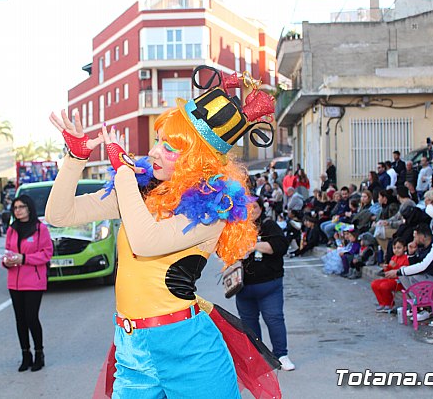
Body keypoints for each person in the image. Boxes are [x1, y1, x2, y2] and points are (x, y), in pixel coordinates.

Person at [47, 68, 281, 397]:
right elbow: (59, 214)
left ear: (195, 160)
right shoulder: (140, 190)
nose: (155, 151)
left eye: (169, 147)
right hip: (132, 352)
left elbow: (146, 242)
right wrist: (76, 158)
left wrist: (123, 172)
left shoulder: (213, 207)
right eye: (158, 141)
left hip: (189, 351)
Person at [235, 198, 294, 370]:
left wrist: (253, 245)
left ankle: (281, 355)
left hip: (269, 284)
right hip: (243, 287)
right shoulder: (236, 228)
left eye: (254, 207)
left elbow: (280, 246)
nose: (251, 210)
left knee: (274, 319)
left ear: (261, 208)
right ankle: (258, 357)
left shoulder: (269, 225)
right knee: (248, 323)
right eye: (247, 207)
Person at [3, 194, 53, 372]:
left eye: (22, 207)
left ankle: (39, 353)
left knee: (31, 317)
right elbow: (8, 252)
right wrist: (6, 261)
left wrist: (24, 258)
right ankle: (26, 354)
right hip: (14, 281)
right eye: (15, 208)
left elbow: (46, 254)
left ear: (29, 208)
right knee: (20, 320)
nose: (18, 211)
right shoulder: (12, 229)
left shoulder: (40, 229)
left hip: (33, 280)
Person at [391, 224, 433, 321]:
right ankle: (417, 305)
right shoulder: (422, 247)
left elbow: (424, 266)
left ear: (422, 237)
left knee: (415, 276)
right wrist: (411, 254)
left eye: (415, 236)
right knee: (403, 275)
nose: (414, 239)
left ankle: (426, 309)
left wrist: (399, 271)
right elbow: (414, 266)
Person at [371, 238, 410, 312]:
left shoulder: (406, 258)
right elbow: (389, 272)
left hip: (400, 281)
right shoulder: (393, 258)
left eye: (399, 248)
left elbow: (403, 272)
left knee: (384, 286)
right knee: (374, 284)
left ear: (405, 248)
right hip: (391, 279)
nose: (396, 250)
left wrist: (395, 266)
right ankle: (382, 303)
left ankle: (389, 304)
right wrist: (386, 267)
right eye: (394, 248)